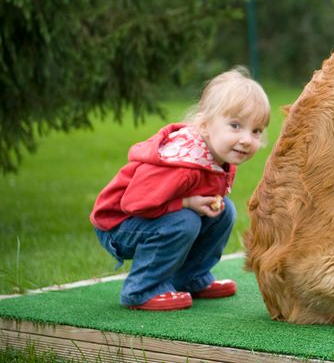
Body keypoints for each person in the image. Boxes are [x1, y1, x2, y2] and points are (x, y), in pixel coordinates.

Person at [90, 67, 271, 311]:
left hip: (152, 218)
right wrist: (186, 203)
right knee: (185, 220)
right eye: (235, 126)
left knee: (224, 211)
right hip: (119, 225)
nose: (247, 139)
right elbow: (134, 203)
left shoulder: (220, 158)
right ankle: (141, 289)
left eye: (256, 131)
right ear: (206, 125)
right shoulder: (183, 163)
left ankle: (190, 277)